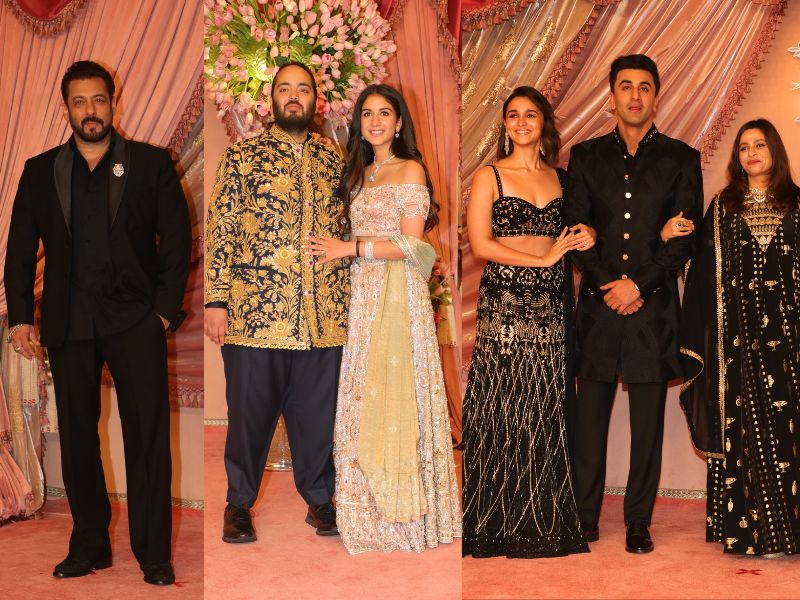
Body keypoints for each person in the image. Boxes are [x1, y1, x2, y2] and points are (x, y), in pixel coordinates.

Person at [4, 60, 191, 585]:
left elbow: (177, 243)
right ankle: (89, 545)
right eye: (80, 101)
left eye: (99, 100)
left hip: (136, 321)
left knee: (147, 438)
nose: (91, 110)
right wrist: (20, 317)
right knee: (79, 440)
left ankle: (154, 553)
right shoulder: (40, 171)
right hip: (68, 325)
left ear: (114, 102)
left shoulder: (151, 165)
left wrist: (162, 312)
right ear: (66, 108)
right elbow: (19, 250)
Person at [304, 84, 461, 554]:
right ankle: (365, 509)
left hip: (398, 294)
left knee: (394, 393)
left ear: (399, 122)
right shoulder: (360, 172)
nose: (375, 122)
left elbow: (413, 245)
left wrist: (350, 248)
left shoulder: (410, 168)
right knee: (362, 394)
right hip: (362, 295)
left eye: (384, 113)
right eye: (367, 114)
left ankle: (405, 517)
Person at [563, 54, 703, 553]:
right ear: (612, 97)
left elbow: (684, 238)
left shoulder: (682, 159)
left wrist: (638, 286)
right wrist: (610, 285)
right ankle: (584, 517)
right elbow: (576, 231)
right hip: (599, 309)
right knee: (589, 420)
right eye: (626, 86)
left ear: (656, 96)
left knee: (648, 424)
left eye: (645, 87)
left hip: (653, 310)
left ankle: (638, 521)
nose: (635, 95)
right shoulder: (584, 157)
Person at [204, 62, 349, 542]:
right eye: (284, 88)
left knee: (318, 419)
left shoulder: (335, 160)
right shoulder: (242, 156)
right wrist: (216, 300)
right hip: (255, 316)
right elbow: (221, 227)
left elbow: (350, 230)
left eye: (302, 89)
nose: (293, 96)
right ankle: (238, 505)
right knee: (249, 418)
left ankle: (320, 500)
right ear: (271, 100)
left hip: (323, 317)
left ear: (315, 100)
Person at [461, 86, 594, 558]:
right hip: (505, 302)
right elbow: (481, 245)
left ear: (544, 124)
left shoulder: (563, 179)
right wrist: (540, 261)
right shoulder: (489, 176)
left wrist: (586, 234)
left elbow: (580, 228)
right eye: (513, 115)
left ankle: (541, 516)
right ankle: (493, 519)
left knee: (545, 405)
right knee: (502, 403)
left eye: (530, 115)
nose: (521, 122)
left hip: (553, 305)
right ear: (504, 125)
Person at [679, 118, 800, 557]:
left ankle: (789, 531)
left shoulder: (796, 203)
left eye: (760, 145)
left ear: (775, 151)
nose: (751, 153)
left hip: (789, 341)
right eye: (744, 147)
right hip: (738, 342)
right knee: (745, 428)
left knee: (789, 430)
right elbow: (700, 269)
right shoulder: (723, 207)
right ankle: (751, 534)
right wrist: (674, 236)